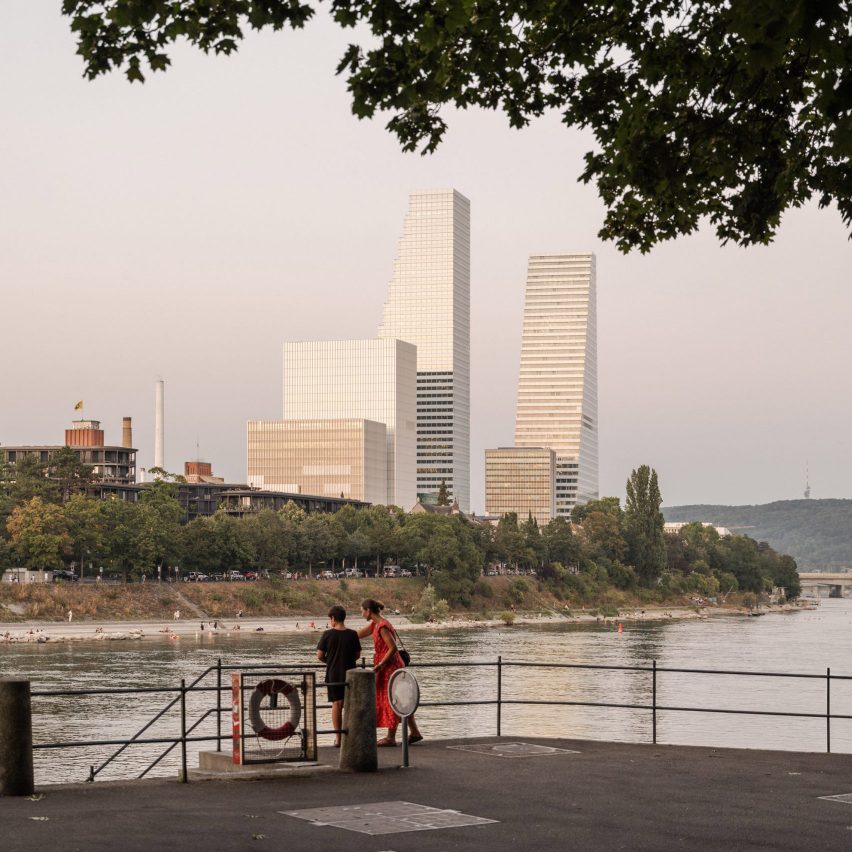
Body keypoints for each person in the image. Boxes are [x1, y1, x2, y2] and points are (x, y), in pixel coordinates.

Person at [357, 598, 422, 747]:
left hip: (389, 666)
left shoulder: (382, 626)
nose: (361, 613)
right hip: (388, 665)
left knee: (392, 699)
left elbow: (392, 648)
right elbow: (357, 634)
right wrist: (340, 634)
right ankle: (415, 732)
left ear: (368, 611)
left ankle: (390, 737)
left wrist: (380, 664)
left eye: (362, 610)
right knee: (399, 698)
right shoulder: (376, 624)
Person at [316, 605, 362, 747]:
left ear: (333, 618)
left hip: (333, 673)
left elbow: (320, 655)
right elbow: (357, 655)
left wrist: (330, 661)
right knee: (350, 705)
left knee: (336, 704)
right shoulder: (353, 634)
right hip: (350, 674)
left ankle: (339, 738)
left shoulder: (327, 634)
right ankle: (351, 736)